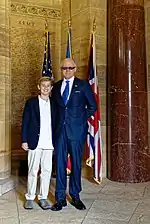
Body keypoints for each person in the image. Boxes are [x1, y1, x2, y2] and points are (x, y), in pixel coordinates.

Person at [51, 58, 97, 211]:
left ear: (75, 69)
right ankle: (60, 199)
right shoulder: (56, 86)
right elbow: (54, 110)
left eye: (70, 67)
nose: (67, 70)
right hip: (60, 133)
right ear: (61, 69)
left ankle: (75, 196)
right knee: (60, 165)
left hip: (76, 131)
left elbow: (92, 106)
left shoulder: (83, 85)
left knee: (76, 164)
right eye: (64, 68)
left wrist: (80, 120)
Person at [21, 76, 54, 210]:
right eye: (43, 85)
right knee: (33, 171)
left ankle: (43, 197)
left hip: (49, 143)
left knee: (46, 171)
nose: (46, 88)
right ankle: (29, 197)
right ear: (39, 87)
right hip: (34, 142)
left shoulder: (54, 103)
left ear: (51, 88)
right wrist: (24, 140)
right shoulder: (31, 103)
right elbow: (25, 122)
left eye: (48, 86)